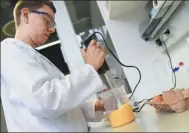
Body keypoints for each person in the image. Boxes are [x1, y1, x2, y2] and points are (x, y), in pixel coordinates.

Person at [1, 0, 114, 132]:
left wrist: (95, 106)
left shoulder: (32, 56)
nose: (52, 29)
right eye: (47, 20)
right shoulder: (9, 50)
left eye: (52, 24)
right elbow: (45, 101)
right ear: (25, 15)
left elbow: (60, 106)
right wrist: (90, 68)